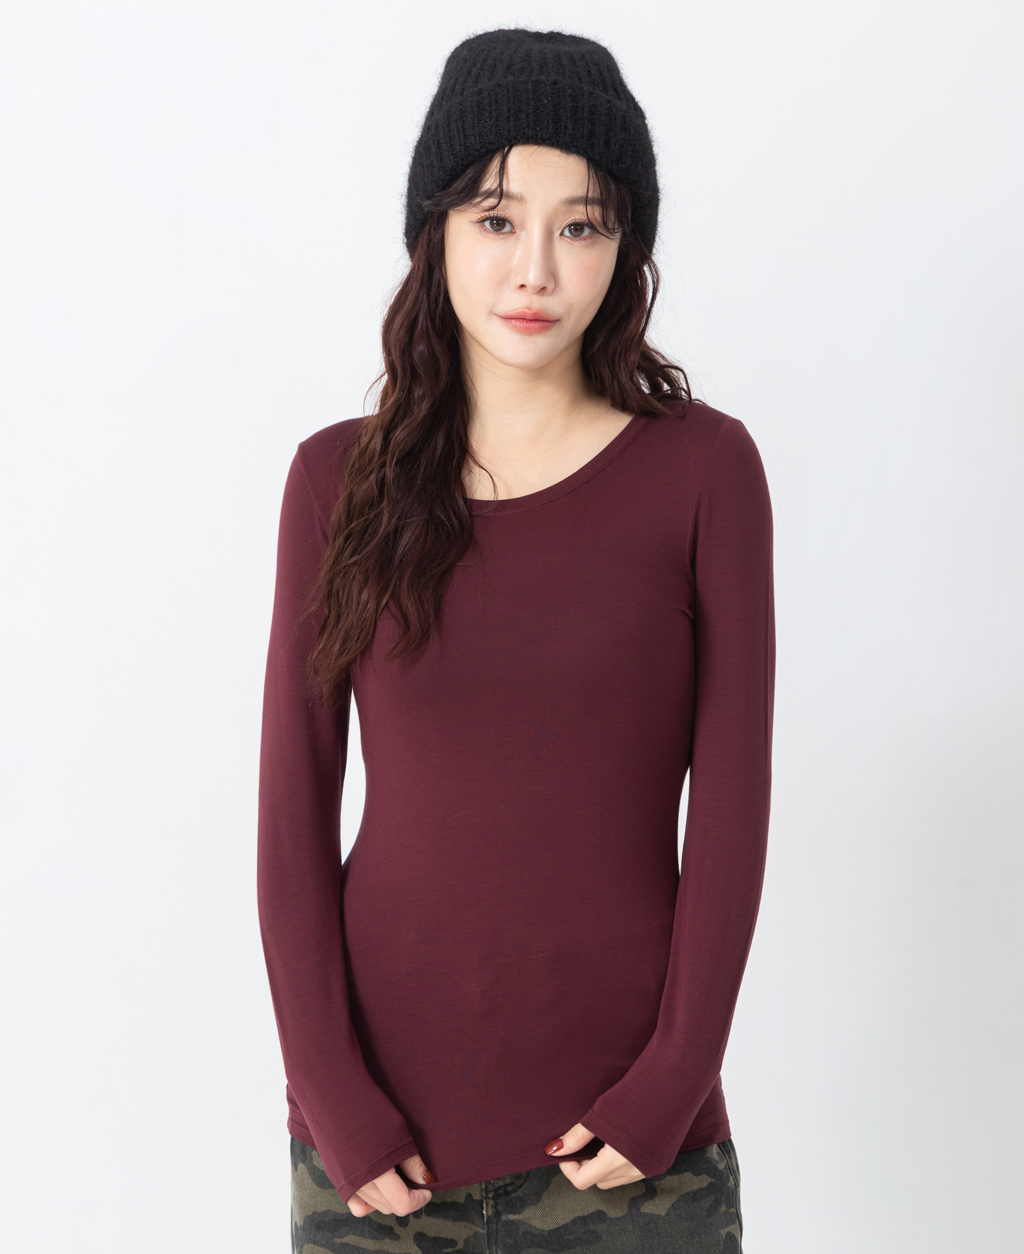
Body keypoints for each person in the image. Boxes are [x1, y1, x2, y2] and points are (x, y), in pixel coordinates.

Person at [257, 27, 775, 1254]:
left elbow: (734, 808)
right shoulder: (336, 481)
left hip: (633, 1152)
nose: (533, 268)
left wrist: (670, 1083)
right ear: (434, 231)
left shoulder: (704, 472)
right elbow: (290, 816)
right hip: (378, 1159)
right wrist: (332, 1096)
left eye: (580, 225)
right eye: (495, 219)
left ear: (624, 248)